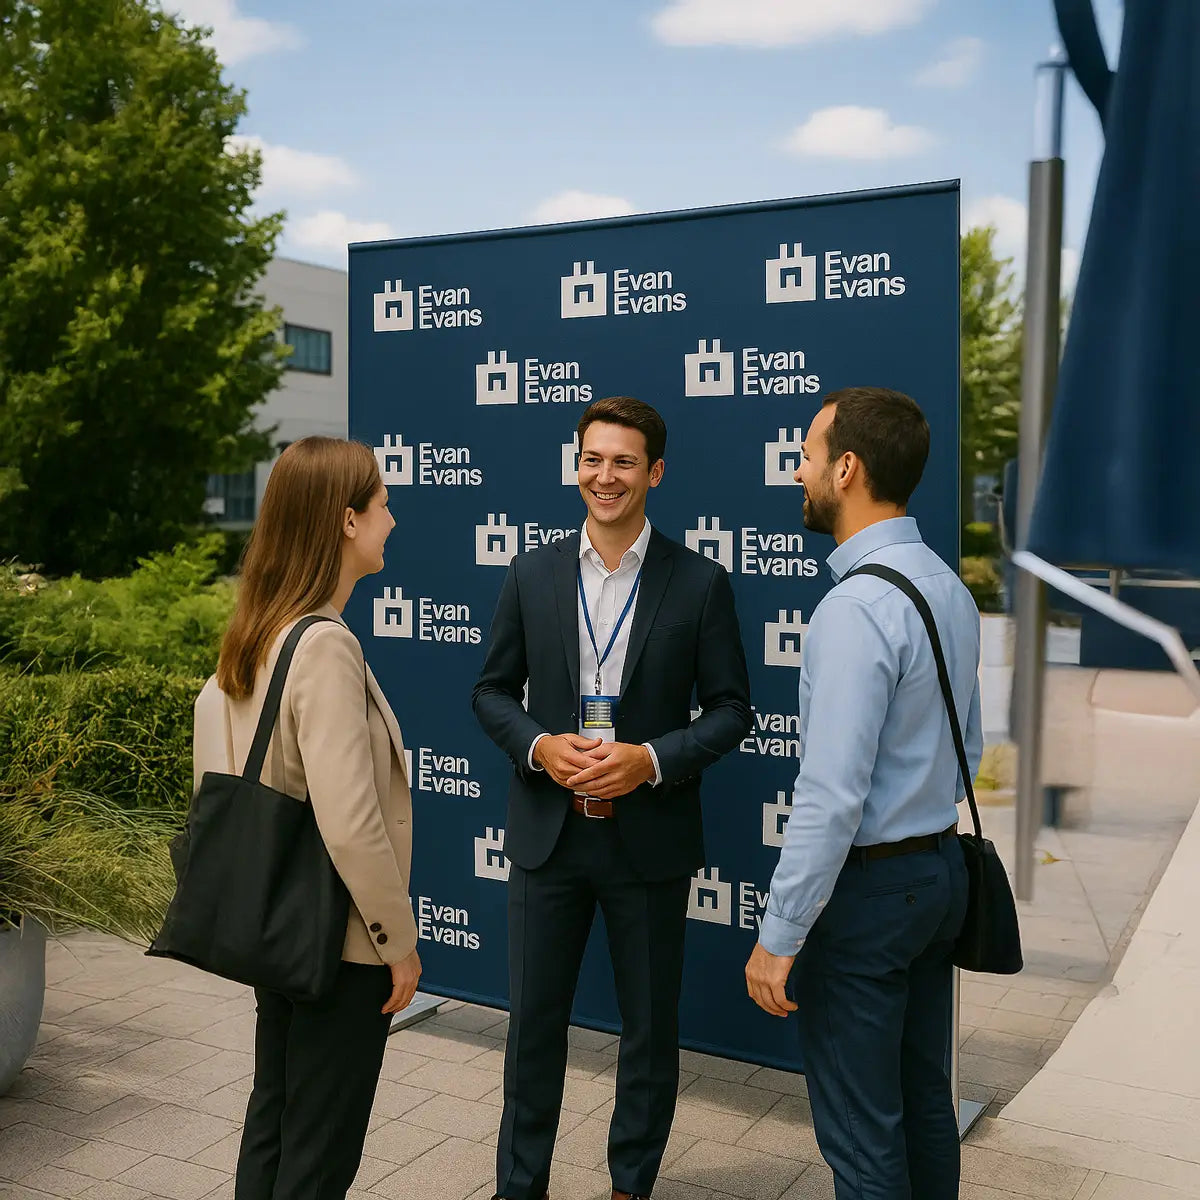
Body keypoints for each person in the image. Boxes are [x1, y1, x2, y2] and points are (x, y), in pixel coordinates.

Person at [473, 396, 753, 1200]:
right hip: (547, 836)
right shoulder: (531, 570)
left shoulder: (699, 582)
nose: (605, 476)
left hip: (649, 840)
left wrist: (652, 760)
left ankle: (631, 1183)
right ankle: (518, 1188)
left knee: (648, 1033)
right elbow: (491, 691)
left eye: (624, 462)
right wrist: (538, 745)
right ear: (577, 465)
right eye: (593, 459)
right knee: (531, 1031)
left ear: (654, 473)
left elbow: (733, 710)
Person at [745, 388, 981, 1199]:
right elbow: (967, 749)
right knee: (922, 1107)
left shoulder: (854, 609)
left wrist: (780, 933)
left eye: (809, 457)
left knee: (861, 1134)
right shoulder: (945, 587)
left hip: (872, 895)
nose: (800, 474)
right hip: (939, 875)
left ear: (847, 469)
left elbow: (831, 794)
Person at [193, 437, 422, 1200]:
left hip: (273, 924)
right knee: (320, 1149)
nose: (392, 518)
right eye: (382, 504)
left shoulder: (255, 631)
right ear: (346, 520)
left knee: (277, 1117)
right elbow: (351, 821)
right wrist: (398, 944)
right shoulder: (324, 644)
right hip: (339, 940)